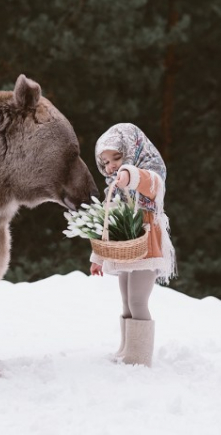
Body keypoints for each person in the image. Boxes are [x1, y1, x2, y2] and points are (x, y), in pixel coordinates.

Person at [90, 123, 176, 367]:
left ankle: (138, 357)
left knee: (138, 300)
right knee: (127, 300)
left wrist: (129, 174)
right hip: (127, 248)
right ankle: (127, 348)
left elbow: (150, 184)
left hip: (146, 245)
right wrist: (97, 257)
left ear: (131, 150)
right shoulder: (114, 190)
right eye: (105, 162)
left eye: (116, 157)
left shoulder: (152, 171)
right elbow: (108, 225)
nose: (111, 166)